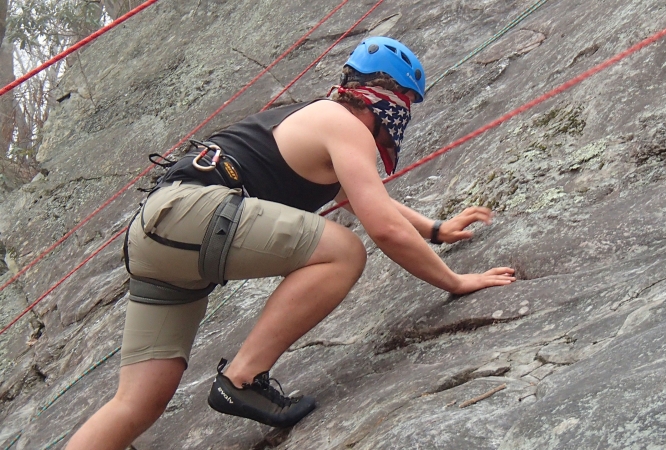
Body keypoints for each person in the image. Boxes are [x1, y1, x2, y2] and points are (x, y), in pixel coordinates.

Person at [66, 36, 515, 449]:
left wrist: (435, 229)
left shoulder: (317, 120)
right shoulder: (344, 125)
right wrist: (454, 281)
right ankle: (241, 378)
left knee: (138, 402)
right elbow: (383, 230)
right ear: (387, 98)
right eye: (405, 106)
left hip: (160, 233)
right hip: (194, 216)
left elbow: (363, 202)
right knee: (344, 252)